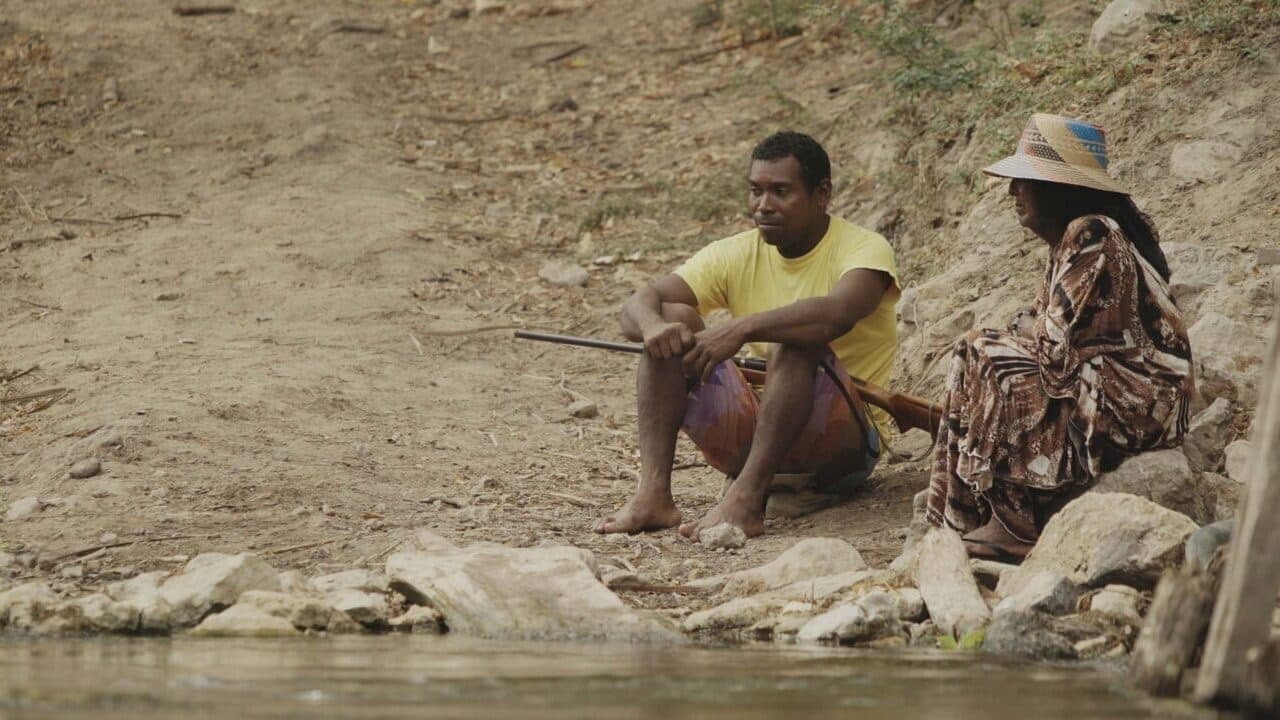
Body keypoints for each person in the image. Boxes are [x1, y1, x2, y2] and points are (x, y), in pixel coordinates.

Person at [597, 131, 900, 542]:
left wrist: (742, 327)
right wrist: (654, 329)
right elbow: (638, 304)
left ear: (822, 193)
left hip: (840, 451)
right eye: (755, 191)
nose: (763, 206)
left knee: (796, 338)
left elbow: (836, 314)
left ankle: (747, 499)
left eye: (780, 191)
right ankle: (654, 496)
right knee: (672, 318)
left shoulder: (866, 249)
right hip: (761, 433)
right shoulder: (735, 252)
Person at [926, 113, 1195, 560]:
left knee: (987, 353)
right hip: (1111, 384)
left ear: (1057, 187)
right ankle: (963, 515)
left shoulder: (1092, 233)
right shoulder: (1071, 242)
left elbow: (1052, 347)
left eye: (1024, 181)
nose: (1013, 191)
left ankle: (1016, 524)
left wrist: (1020, 333)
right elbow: (1048, 335)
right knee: (974, 350)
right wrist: (1025, 330)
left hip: (1146, 400)